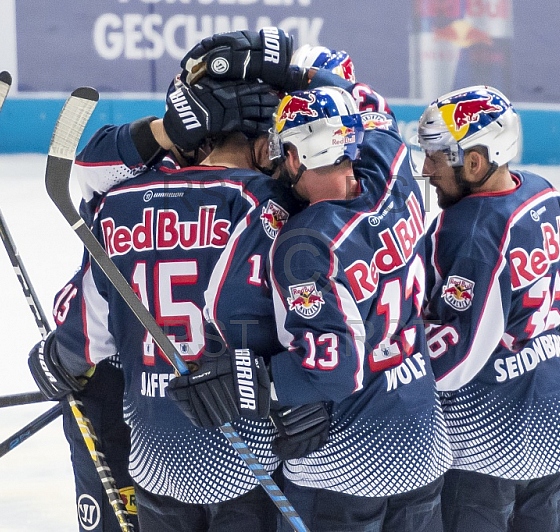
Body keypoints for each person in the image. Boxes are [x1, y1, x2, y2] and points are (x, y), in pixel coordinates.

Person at [170, 38, 454, 527]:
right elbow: (364, 101)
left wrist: (245, 381)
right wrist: (295, 75)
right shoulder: (392, 168)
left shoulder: (304, 245)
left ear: (295, 156)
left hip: (348, 461)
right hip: (422, 436)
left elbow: (333, 368)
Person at [27, 38, 305, 529]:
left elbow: (90, 323)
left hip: (157, 457)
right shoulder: (272, 204)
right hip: (247, 454)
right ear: (265, 139)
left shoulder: (120, 201)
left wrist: (61, 357)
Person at [413, 85, 560, 531]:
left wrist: (395, 378)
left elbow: (456, 359)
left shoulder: (467, 231)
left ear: (475, 162)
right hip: (552, 416)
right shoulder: (542, 193)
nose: (426, 169)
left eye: (435, 156)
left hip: (483, 441)